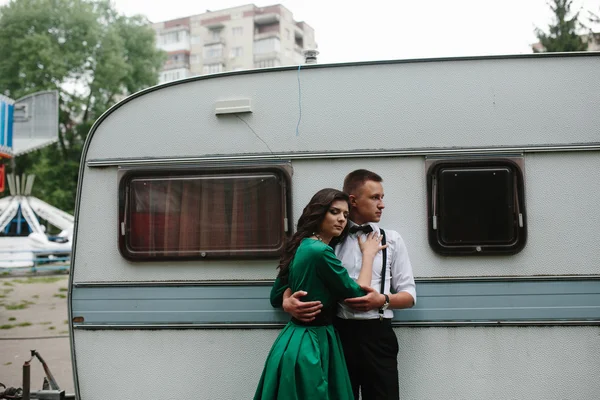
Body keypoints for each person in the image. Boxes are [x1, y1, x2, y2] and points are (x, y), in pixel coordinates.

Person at [282, 170, 417, 400]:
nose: (382, 205)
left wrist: (382, 300)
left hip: (378, 334)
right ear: (354, 200)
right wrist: (287, 302)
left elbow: (410, 295)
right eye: (375, 197)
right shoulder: (327, 240)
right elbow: (290, 278)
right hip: (338, 333)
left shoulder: (392, 239)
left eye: (382, 197)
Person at [254, 188, 387, 400]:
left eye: (345, 214)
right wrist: (368, 255)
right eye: (334, 212)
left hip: (292, 339)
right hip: (313, 342)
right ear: (318, 213)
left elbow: (276, 295)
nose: (342, 219)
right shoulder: (321, 251)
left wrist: (288, 301)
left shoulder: (301, 244)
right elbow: (357, 294)